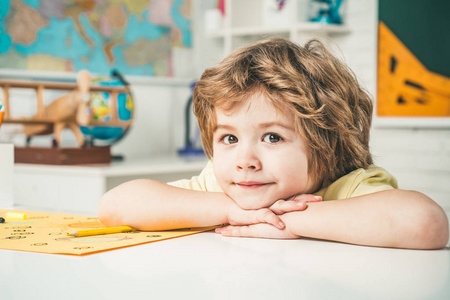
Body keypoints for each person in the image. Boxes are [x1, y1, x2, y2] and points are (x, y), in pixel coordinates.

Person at [98, 38, 449, 249]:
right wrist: (233, 211)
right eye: (230, 138)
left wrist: (287, 222)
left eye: (272, 137)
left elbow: (425, 224)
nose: (245, 160)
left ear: (325, 140)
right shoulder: (229, 191)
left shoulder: (348, 185)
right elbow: (114, 206)